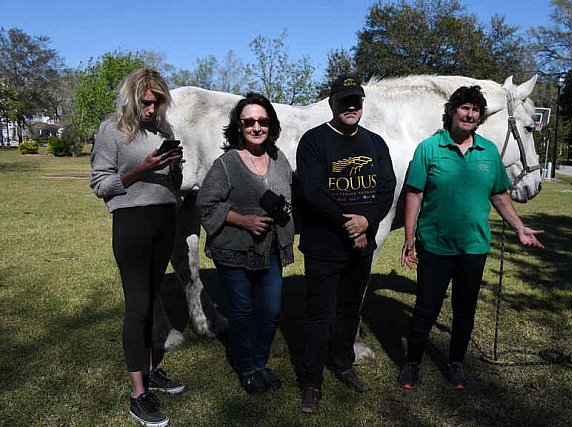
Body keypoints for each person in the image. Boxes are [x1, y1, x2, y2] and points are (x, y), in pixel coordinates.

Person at [397, 85, 545, 391]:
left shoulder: (488, 151)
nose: (470, 114)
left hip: (474, 247)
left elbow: (500, 194)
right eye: (464, 108)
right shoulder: (429, 148)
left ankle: (455, 364)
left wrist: (519, 226)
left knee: (465, 309)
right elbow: (414, 194)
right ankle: (412, 363)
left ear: (480, 118)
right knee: (426, 307)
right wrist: (409, 238)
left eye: (475, 110)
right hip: (435, 245)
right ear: (452, 111)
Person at [295, 75, 396, 414]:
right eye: (344, 101)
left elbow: (386, 187)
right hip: (324, 245)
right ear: (331, 103)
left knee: (351, 309)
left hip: (361, 245)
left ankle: (343, 363)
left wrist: (367, 221)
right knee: (319, 315)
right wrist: (347, 221)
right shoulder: (313, 141)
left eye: (356, 101)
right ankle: (311, 381)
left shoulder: (375, 143)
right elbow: (312, 191)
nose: (351, 107)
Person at [90, 68, 185, 427]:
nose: (151, 108)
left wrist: (174, 168)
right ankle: (137, 395)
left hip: (164, 220)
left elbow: (172, 186)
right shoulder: (111, 130)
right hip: (131, 223)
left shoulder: (164, 131)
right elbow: (101, 185)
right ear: (132, 99)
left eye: (158, 101)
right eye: (146, 102)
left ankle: (149, 371)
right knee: (138, 306)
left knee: (153, 300)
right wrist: (139, 170)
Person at [196, 93, 295, 395]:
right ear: (239, 126)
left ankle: (260, 362)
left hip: (272, 249)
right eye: (249, 121)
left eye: (262, 121)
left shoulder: (279, 160)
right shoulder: (227, 164)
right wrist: (243, 220)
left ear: (271, 125)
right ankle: (247, 368)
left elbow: (290, 195)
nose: (256, 127)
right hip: (234, 250)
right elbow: (205, 204)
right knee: (242, 311)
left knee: (270, 311)